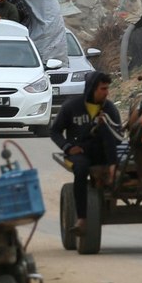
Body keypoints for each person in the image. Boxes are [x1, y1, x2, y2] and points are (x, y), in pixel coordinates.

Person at [50, 72, 121, 236]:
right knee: (81, 170)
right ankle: (82, 218)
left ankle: (112, 176)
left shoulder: (109, 108)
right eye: (103, 89)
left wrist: (106, 126)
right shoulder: (71, 107)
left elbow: (118, 136)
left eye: (107, 88)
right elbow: (55, 131)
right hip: (80, 152)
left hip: (104, 152)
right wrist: (67, 147)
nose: (106, 92)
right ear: (91, 89)